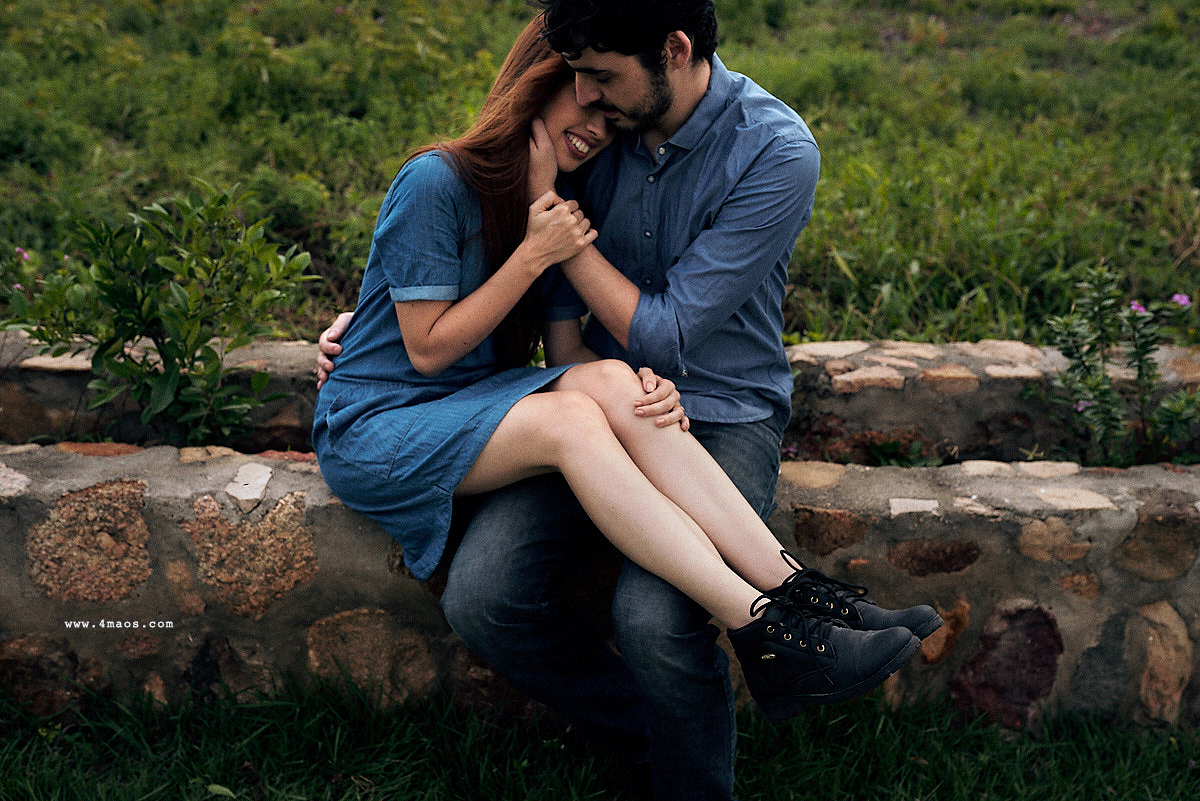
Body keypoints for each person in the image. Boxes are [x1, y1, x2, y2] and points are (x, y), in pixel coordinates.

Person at [316, 6, 941, 800]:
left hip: (714, 406)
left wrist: (559, 250)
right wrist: (358, 327)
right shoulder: (545, 170)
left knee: (650, 615)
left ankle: (752, 682)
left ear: (674, 52)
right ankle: (742, 659)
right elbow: (430, 317)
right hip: (544, 412)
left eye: (602, 81)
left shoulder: (771, 151)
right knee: (485, 597)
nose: (593, 103)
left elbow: (661, 334)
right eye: (577, 81)